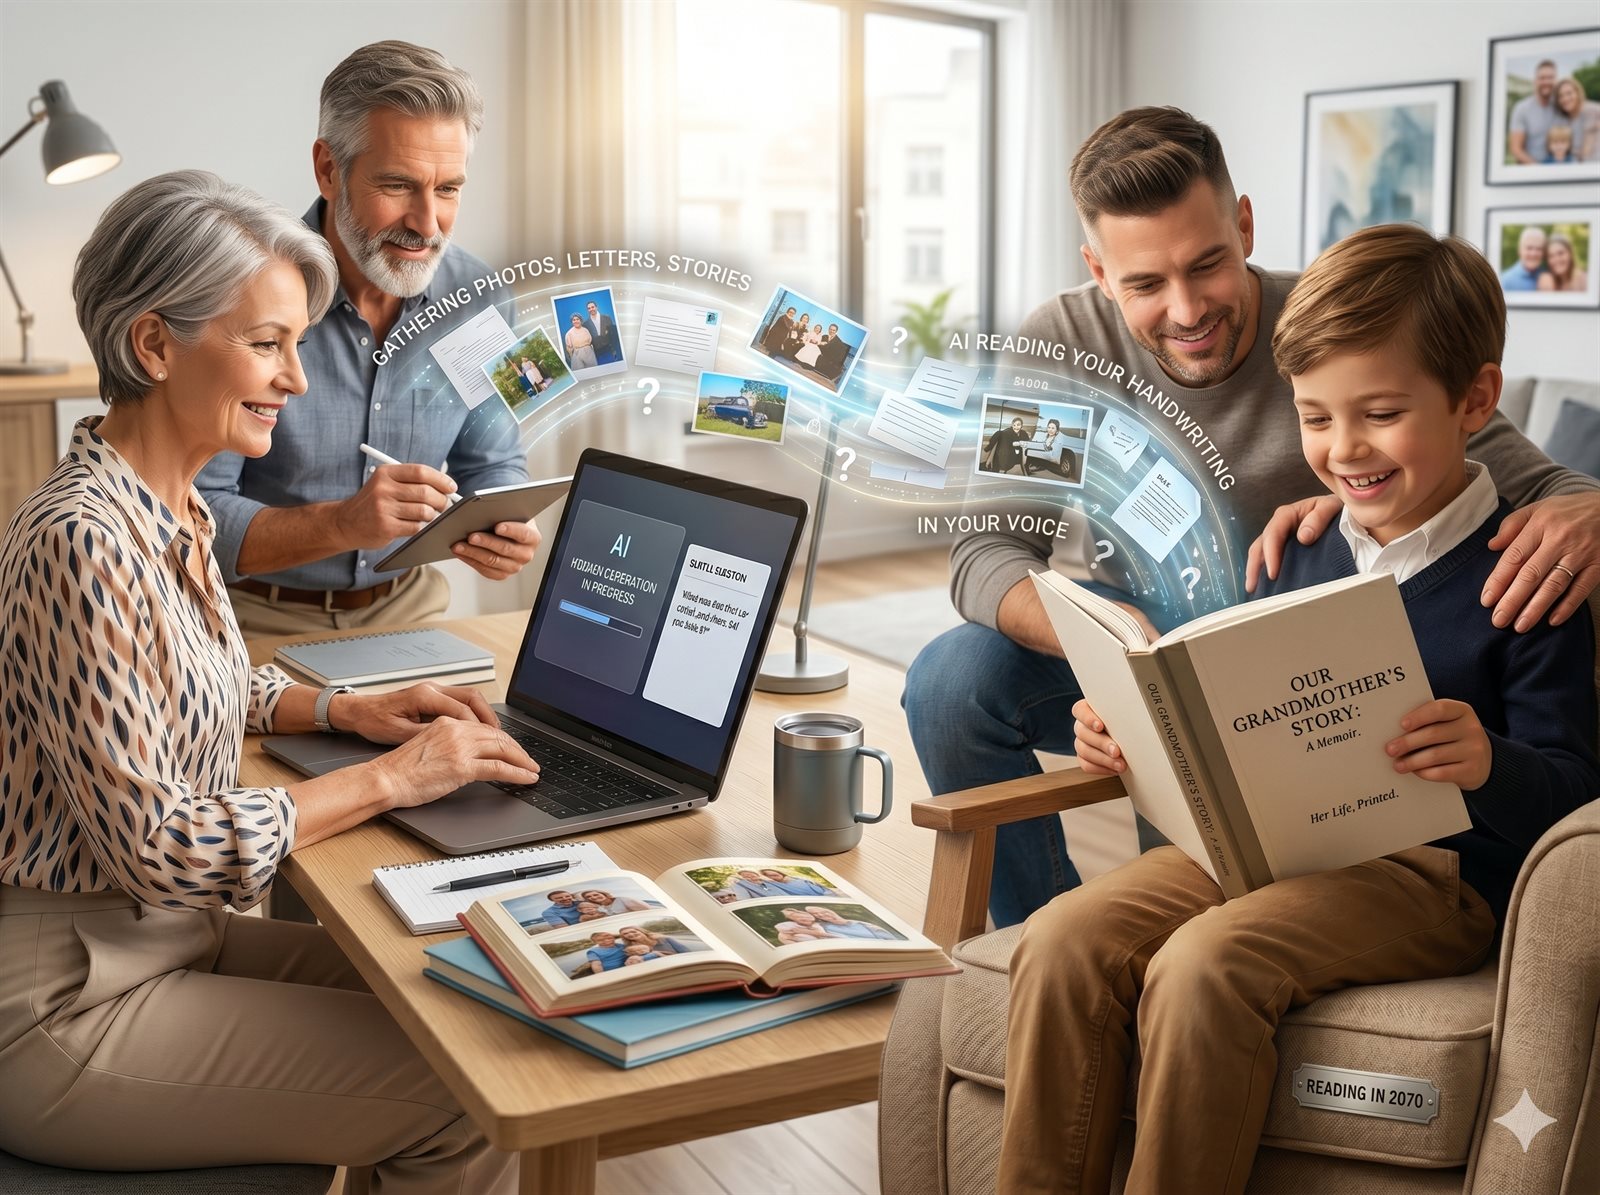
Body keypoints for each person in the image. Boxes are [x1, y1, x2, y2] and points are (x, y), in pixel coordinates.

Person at [1000, 224, 1600, 1195]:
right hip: (1274, 844)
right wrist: (1133, 733)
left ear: (1474, 402)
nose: (1343, 448)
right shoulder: (1300, 545)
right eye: (1315, 419)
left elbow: (1573, 792)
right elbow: (1240, 708)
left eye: (1379, 414)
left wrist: (1486, 760)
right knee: (1063, 937)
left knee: (1203, 966)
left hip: (1436, 876)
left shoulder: (1526, 575)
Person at [904, 106, 1600, 928]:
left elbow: (1529, 476)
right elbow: (986, 551)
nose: (1188, 309)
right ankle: (1033, 943)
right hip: (1149, 633)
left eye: (1208, 265)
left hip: (1296, 649)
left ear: (1244, 225)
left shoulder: (1330, 330)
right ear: (1098, 271)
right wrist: (1115, 647)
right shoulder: (1063, 347)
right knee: (951, 684)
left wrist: (1587, 508)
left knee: (1195, 885)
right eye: (1144, 284)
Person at [0, 171, 542, 1189]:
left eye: (297, 342)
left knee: (469, 998)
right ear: (155, 345)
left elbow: (201, 679)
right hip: (66, 1001)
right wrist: (393, 777)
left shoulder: (166, 507)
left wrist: (347, 711)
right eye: (267, 344)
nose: (296, 381)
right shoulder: (85, 539)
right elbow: (161, 847)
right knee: (466, 1089)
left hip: (164, 945)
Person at [197, 42, 541, 636]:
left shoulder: (484, 298)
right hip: (245, 620)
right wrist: (342, 524)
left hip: (412, 610)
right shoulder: (238, 293)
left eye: (449, 189)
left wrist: (505, 520)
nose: (427, 224)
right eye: (399, 185)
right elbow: (191, 514)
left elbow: (494, 462)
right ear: (329, 169)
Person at [1508, 59, 1561, 164]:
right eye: (1542, 78)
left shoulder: (1562, 104)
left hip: (1562, 168)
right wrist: (1539, 171)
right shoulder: (1522, 108)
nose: (1546, 81)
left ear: (1556, 80)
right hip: (1532, 169)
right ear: (1535, 81)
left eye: (1550, 77)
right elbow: (1516, 149)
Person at [1555, 75, 1600, 162]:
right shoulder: (1564, 120)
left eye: (1569, 93)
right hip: (1578, 169)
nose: (1565, 98)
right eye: (1561, 96)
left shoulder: (1593, 110)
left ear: (1577, 93)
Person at [803, 907, 899, 941]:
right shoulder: (823, 927)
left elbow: (890, 939)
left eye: (823, 912)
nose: (820, 914)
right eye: (815, 914)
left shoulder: (859, 923)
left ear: (830, 910)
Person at [1499, 226, 1547, 291]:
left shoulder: (1548, 277)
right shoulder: (1504, 281)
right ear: (1519, 250)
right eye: (1529, 248)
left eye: (1539, 249)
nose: (1534, 253)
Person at [616, 925, 693, 954]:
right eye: (625, 934)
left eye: (633, 931)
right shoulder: (630, 948)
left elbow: (685, 952)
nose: (630, 934)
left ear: (641, 931)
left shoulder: (664, 939)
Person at [756, 867, 831, 896]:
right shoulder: (774, 885)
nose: (772, 875)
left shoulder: (797, 878)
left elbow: (818, 885)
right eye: (768, 875)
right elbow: (764, 887)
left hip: (825, 893)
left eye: (774, 874)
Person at [578, 887, 653, 915]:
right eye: (589, 897)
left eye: (596, 894)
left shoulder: (623, 899)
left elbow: (648, 911)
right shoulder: (600, 908)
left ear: (603, 894)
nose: (593, 897)